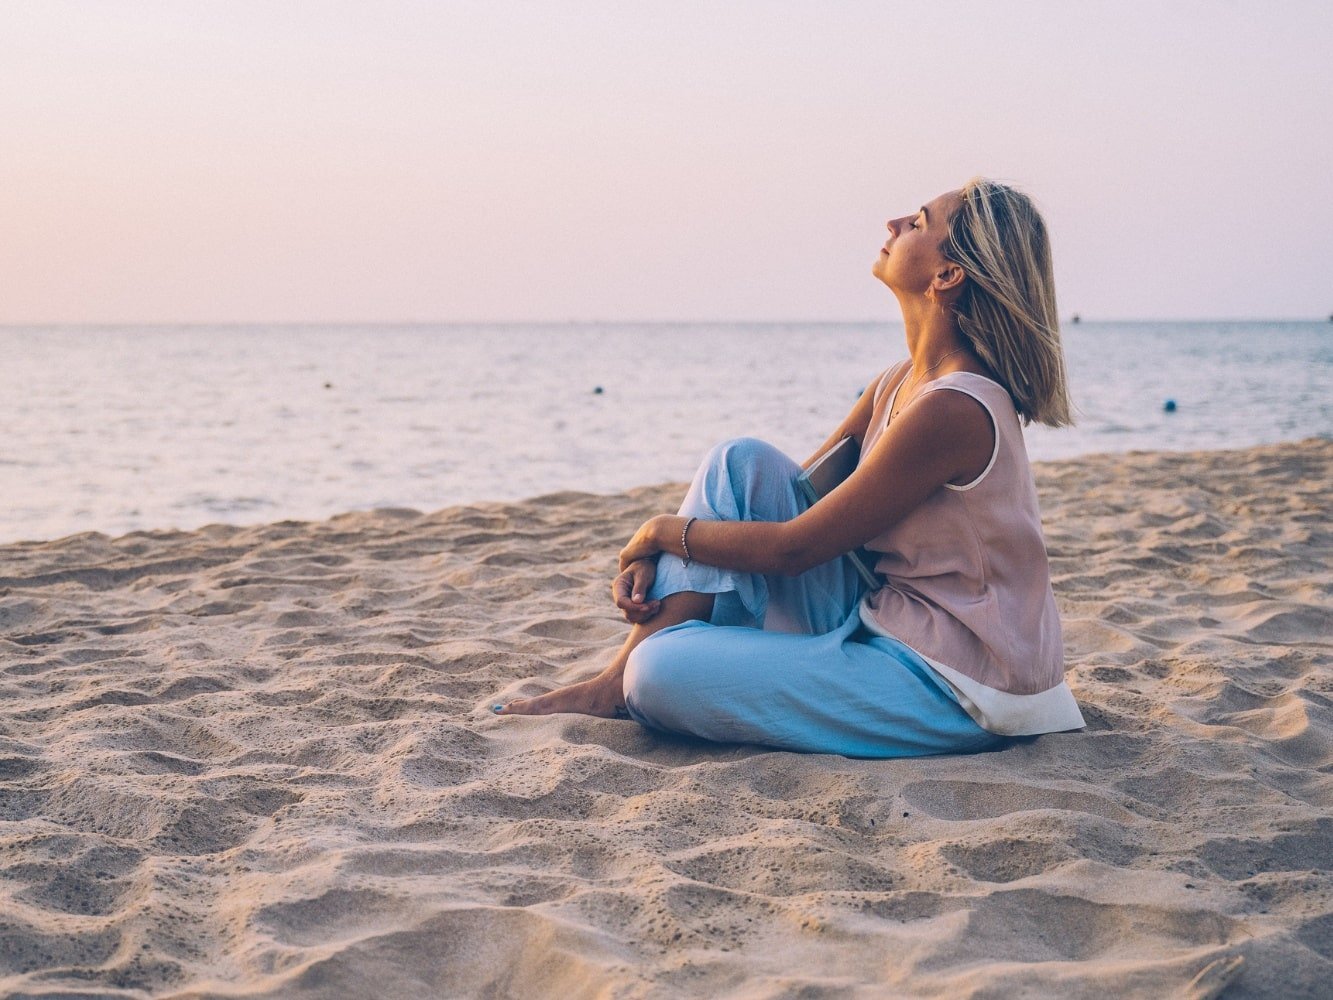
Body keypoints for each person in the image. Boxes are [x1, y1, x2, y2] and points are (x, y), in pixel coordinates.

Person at [493, 178, 1086, 758]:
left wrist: (657, 534)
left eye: (920, 222)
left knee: (657, 673)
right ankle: (611, 682)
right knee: (738, 464)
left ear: (947, 276)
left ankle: (633, 675)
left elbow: (793, 550)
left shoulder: (955, 408)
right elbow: (782, 503)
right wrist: (675, 557)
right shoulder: (897, 384)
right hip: (888, 615)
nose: (895, 223)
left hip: (960, 681)